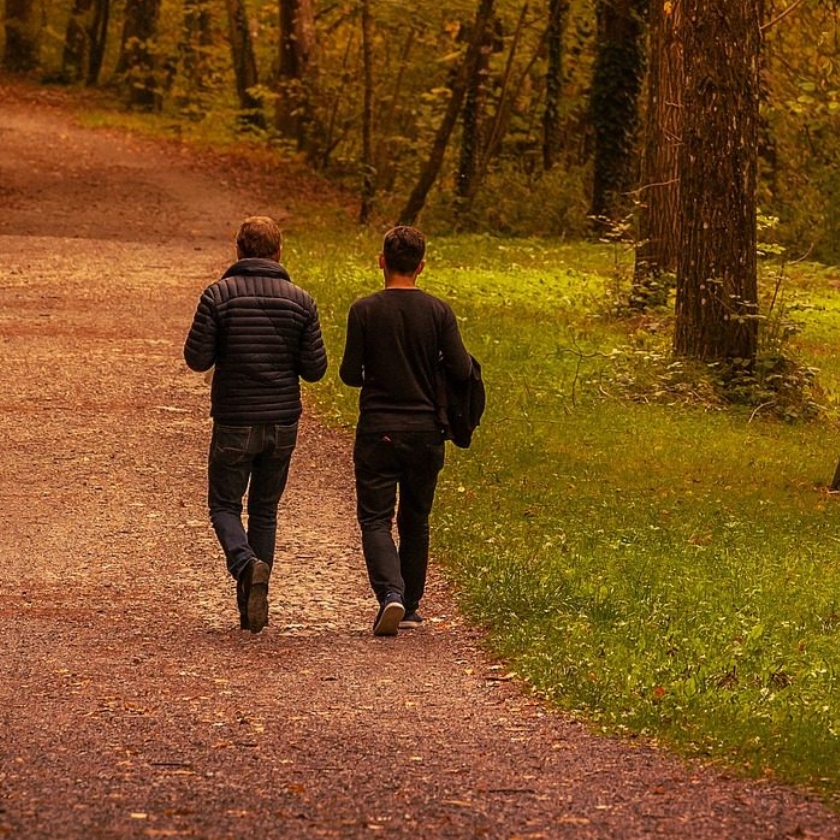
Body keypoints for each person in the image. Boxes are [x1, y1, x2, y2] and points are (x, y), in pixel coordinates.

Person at [184, 216, 327, 633]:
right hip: (282, 421)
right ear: (279, 252)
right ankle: (252, 603)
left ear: (239, 250)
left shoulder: (218, 296)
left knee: (224, 505)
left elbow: (196, 359)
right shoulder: (302, 301)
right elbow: (315, 369)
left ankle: (246, 564)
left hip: (235, 419)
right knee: (265, 509)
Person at [339, 225, 473, 636]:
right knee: (416, 517)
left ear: (382, 261)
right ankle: (411, 605)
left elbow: (348, 374)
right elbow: (462, 369)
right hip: (425, 431)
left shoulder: (364, 310)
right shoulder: (438, 312)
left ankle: (390, 594)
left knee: (376, 518)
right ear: (422, 266)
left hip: (378, 429)